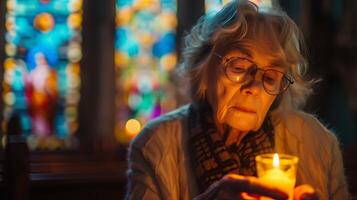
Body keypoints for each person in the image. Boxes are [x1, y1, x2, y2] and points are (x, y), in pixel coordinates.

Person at [125, 0, 349, 199]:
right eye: (239, 67)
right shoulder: (156, 144)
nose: (254, 87)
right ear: (203, 68)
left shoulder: (318, 143)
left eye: (270, 77)